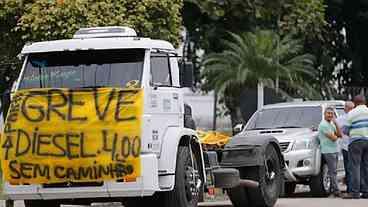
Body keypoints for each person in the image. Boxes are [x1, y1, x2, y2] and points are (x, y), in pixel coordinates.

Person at [343, 95, 368, 199]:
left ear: (355, 103)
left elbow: (345, 130)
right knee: (366, 166)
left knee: (355, 166)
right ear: (364, 102)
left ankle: (355, 193)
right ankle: (366, 192)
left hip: (356, 141)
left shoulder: (352, 113)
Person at [318, 106, 342, 197]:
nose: (330, 115)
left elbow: (339, 135)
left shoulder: (332, 124)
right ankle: (336, 191)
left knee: (333, 171)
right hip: (328, 151)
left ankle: (333, 191)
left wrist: (336, 123)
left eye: (332, 114)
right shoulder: (323, 125)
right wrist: (336, 136)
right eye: (328, 113)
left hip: (335, 150)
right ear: (324, 114)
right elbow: (334, 138)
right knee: (332, 172)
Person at [336, 101, 355, 194]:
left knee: (348, 168)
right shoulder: (356, 117)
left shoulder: (340, 119)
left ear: (345, 109)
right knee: (356, 168)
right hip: (354, 146)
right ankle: (356, 188)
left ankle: (350, 189)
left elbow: (337, 131)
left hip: (346, 147)